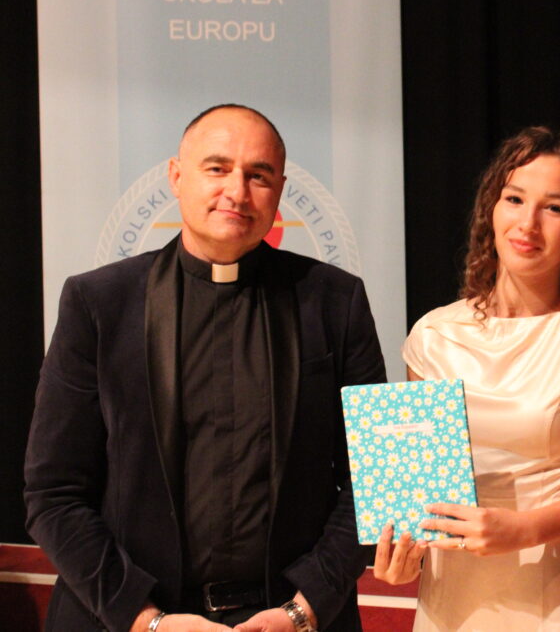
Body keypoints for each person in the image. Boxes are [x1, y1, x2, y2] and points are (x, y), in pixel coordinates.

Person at [24, 104, 386, 632]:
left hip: (291, 620)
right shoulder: (98, 303)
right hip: (126, 620)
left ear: (279, 191)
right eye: (217, 168)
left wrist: (303, 610)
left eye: (258, 175)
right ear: (176, 176)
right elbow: (53, 493)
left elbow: (373, 481)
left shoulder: (335, 301)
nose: (237, 192)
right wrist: (145, 619)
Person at [373, 127, 560, 630]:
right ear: (492, 208)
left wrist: (522, 529)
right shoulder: (434, 334)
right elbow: (416, 495)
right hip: (453, 602)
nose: (527, 223)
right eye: (515, 199)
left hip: (556, 597)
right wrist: (402, 554)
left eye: (554, 208)